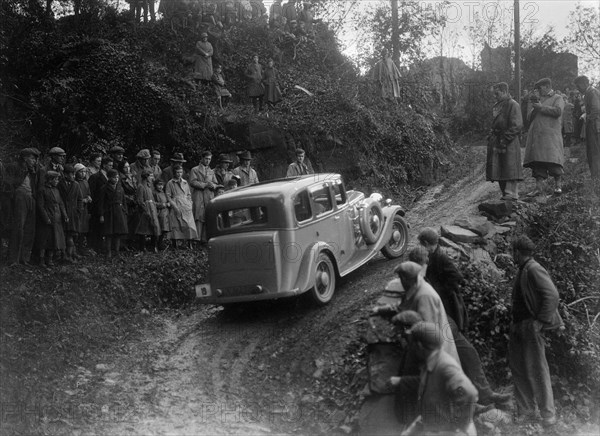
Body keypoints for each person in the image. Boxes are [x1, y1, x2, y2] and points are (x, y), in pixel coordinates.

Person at [406, 247, 511, 407]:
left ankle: (485, 394)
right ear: (421, 263)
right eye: (426, 262)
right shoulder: (413, 283)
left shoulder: (422, 279)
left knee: (470, 355)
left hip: (447, 326)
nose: (427, 264)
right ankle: (469, 405)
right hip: (435, 332)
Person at [509, 235, 563, 427]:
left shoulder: (533, 268)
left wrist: (540, 321)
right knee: (519, 368)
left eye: (512, 251)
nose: (511, 255)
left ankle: (548, 415)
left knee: (537, 370)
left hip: (530, 327)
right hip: (518, 327)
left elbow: (552, 295)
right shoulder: (523, 269)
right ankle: (526, 412)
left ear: (517, 252)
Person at [388, 322, 478, 435]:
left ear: (419, 345)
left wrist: (459, 426)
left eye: (412, 344)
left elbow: (469, 393)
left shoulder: (445, 366)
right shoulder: (431, 365)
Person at [394, 261, 460, 364]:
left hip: (436, 352)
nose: (399, 281)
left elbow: (427, 328)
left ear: (405, 279)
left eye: (400, 278)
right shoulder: (416, 287)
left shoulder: (424, 296)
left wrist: (408, 333)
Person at [418, 228, 469, 333]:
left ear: (427, 243)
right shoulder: (432, 254)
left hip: (448, 298)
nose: (421, 247)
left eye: (422, 244)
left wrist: (443, 289)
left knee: (454, 324)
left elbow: (457, 277)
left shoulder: (441, 257)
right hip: (440, 296)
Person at [524, 78, 565, 196]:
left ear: (547, 86)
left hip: (551, 136)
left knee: (554, 162)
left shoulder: (558, 98)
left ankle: (558, 186)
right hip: (537, 136)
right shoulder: (538, 100)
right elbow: (528, 118)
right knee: (538, 163)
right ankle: (538, 188)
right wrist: (534, 106)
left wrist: (541, 107)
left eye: (540, 88)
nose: (538, 90)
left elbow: (557, 112)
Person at [486, 82, 524, 201]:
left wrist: (505, 138)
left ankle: (512, 194)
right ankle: (505, 194)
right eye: (494, 94)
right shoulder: (498, 105)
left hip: (509, 141)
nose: (495, 96)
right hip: (498, 140)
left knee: (510, 167)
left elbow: (517, 125)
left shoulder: (513, 104)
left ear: (504, 91)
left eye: (497, 93)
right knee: (500, 167)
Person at [5, 148, 42, 266]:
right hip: (19, 198)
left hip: (31, 198)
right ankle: (13, 259)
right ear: (25, 158)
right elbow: (8, 184)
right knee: (18, 228)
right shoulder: (14, 167)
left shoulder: (34, 170)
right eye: (32, 158)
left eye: (35, 159)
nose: (34, 161)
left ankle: (24, 258)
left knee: (29, 229)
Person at [36, 171, 68, 267]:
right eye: (56, 179)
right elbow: (40, 206)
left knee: (54, 240)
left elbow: (61, 203)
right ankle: (41, 260)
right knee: (44, 240)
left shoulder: (56, 190)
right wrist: (46, 218)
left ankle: (49, 259)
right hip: (47, 219)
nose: (57, 181)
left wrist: (65, 215)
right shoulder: (42, 190)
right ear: (50, 180)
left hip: (56, 219)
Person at [574, 75, 600, 180]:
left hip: (595, 126)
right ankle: (595, 175)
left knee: (594, 151)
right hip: (593, 125)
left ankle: (596, 176)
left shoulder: (591, 92)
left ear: (585, 83)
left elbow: (596, 109)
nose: (578, 89)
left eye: (578, 86)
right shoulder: (590, 93)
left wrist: (587, 117)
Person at [98, 169, 128, 258]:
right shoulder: (104, 188)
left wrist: (125, 211)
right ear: (109, 177)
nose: (116, 179)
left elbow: (124, 201)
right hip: (109, 212)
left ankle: (117, 252)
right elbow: (101, 203)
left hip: (119, 212)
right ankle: (108, 252)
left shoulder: (120, 188)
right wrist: (101, 215)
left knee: (118, 233)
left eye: (117, 177)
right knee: (109, 234)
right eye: (114, 177)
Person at [165, 164, 197, 248]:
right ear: (174, 173)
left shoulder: (185, 182)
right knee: (176, 225)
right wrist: (174, 206)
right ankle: (175, 244)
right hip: (176, 204)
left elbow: (189, 194)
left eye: (181, 172)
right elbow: (168, 196)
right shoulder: (170, 183)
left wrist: (190, 203)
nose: (179, 174)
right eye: (177, 172)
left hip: (186, 205)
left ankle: (189, 243)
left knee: (189, 224)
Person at [189, 151, 217, 244]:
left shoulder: (211, 171)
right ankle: (196, 239)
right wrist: (205, 185)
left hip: (209, 195)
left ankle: (205, 239)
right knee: (198, 216)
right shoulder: (195, 169)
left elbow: (215, 183)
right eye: (206, 158)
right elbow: (192, 182)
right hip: (199, 195)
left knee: (207, 215)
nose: (208, 161)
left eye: (209, 159)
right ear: (202, 158)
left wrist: (213, 185)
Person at [59, 164, 83, 262]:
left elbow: (80, 199)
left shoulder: (76, 184)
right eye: (71, 174)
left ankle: (72, 253)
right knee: (65, 235)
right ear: (65, 174)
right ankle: (66, 255)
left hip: (73, 214)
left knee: (74, 234)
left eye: (74, 174)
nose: (73, 176)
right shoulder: (59, 184)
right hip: (63, 213)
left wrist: (78, 210)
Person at [88, 157, 113, 252]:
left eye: (112, 165)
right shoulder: (95, 177)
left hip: (106, 206)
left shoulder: (110, 177)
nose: (111, 167)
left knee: (104, 227)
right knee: (96, 227)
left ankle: (102, 247)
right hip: (96, 206)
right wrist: (91, 208)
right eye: (109, 165)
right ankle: (95, 247)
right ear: (104, 165)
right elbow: (91, 193)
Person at [135, 169, 161, 252]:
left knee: (155, 227)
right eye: (151, 176)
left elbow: (152, 198)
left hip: (152, 208)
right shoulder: (141, 186)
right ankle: (142, 247)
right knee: (144, 229)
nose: (152, 178)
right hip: (145, 210)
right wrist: (145, 210)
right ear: (146, 177)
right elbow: (140, 200)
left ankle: (154, 246)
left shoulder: (149, 186)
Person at [74, 163, 92, 255]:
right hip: (77, 209)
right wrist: (83, 200)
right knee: (77, 229)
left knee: (84, 229)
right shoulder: (75, 183)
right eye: (81, 172)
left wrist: (89, 197)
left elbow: (88, 192)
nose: (83, 174)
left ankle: (81, 247)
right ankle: (75, 249)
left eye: (84, 172)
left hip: (85, 210)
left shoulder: (85, 182)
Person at [153, 178, 171, 250]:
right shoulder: (154, 193)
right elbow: (153, 203)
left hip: (165, 214)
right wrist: (163, 205)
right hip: (158, 213)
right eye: (159, 185)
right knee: (157, 230)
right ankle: (155, 245)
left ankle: (160, 243)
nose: (161, 187)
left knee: (164, 230)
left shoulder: (163, 193)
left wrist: (168, 204)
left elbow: (167, 200)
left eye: (162, 185)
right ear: (155, 185)